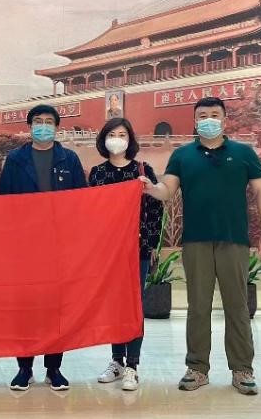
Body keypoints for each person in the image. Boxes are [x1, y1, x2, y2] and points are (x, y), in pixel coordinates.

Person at [140, 97, 261, 395]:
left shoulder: (243, 153)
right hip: (196, 241)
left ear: (224, 119)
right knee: (198, 307)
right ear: (195, 120)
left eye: (214, 115)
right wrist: (151, 188)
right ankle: (197, 368)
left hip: (233, 240)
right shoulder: (183, 155)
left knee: (237, 306)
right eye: (203, 115)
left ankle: (242, 369)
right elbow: (167, 190)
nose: (209, 120)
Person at [0, 104, 87, 392]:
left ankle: (53, 368)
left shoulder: (69, 159)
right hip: (24, 245)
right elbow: (4, 202)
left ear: (57, 127)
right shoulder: (16, 159)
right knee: (25, 307)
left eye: (49, 122)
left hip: (59, 245)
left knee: (55, 308)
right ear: (30, 126)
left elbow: (81, 202)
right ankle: (24, 368)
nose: (44, 126)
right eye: (38, 121)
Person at [88, 118, 164, 391]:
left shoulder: (142, 170)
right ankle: (116, 361)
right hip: (108, 251)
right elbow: (90, 211)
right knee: (114, 304)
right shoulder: (97, 173)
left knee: (134, 305)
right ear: (104, 139)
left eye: (122, 134)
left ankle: (133, 365)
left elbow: (155, 209)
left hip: (137, 249)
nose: (117, 139)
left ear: (130, 139)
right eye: (112, 134)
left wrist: (152, 244)